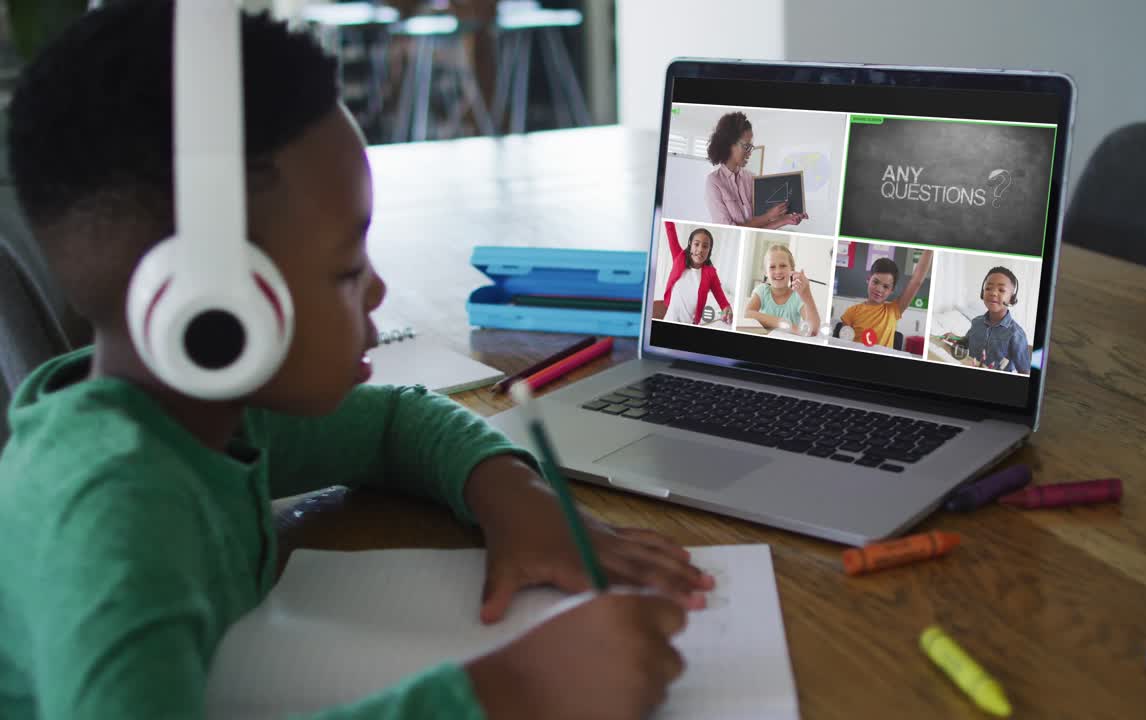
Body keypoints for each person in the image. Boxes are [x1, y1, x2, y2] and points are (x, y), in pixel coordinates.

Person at [0, 4, 712, 719]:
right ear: (214, 311)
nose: (375, 288)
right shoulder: (114, 523)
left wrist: (514, 498)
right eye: (345, 270)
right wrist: (507, 694)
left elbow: (391, 423)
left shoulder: (203, 417)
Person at [704, 111, 807, 229]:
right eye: (746, 146)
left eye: (751, 147)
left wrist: (786, 220)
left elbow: (759, 227)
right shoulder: (714, 182)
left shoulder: (751, 178)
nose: (750, 152)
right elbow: (728, 229)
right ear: (729, 144)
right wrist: (768, 216)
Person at [840, 249, 934, 349]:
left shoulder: (894, 310)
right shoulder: (851, 312)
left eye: (885, 287)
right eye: (875, 282)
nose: (879, 289)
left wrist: (930, 249)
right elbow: (843, 342)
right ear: (868, 279)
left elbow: (916, 281)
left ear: (891, 290)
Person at [946, 266, 1031, 373]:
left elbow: (1025, 372)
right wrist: (955, 339)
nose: (993, 293)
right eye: (988, 288)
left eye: (1001, 290)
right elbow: (967, 342)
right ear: (982, 293)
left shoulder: (1016, 334)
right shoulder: (976, 322)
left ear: (1012, 298)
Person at [659, 222, 733, 326]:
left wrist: (727, 310)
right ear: (690, 244)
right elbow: (670, 230)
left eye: (705, 246)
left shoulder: (711, 274)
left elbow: (722, 300)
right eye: (696, 244)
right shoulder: (679, 257)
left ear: (709, 250)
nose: (700, 249)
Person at [743, 244, 820, 336]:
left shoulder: (797, 297)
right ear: (765, 272)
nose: (778, 271)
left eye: (783, 265)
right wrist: (784, 324)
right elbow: (748, 314)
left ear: (792, 269)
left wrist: (806, 294)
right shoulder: (762, 291)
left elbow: (813, 330)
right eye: (772, 267)